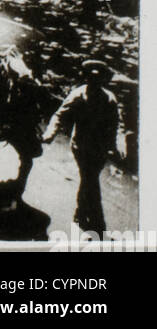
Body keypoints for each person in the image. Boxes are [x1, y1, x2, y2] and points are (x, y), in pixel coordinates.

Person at [44, 61, 121, 235]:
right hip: (81, 146)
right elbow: (60, 115)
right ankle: (97, 224)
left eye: (98, 79)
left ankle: (80, 212)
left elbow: (114, 126)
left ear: (103, 80)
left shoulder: (110, 99)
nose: (94, 83)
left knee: (88, 179)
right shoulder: (78, 95)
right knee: (90, 179)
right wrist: (50, 132)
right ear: (86, 78)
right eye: (91, 79)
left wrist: (113, 147)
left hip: (100, 149)